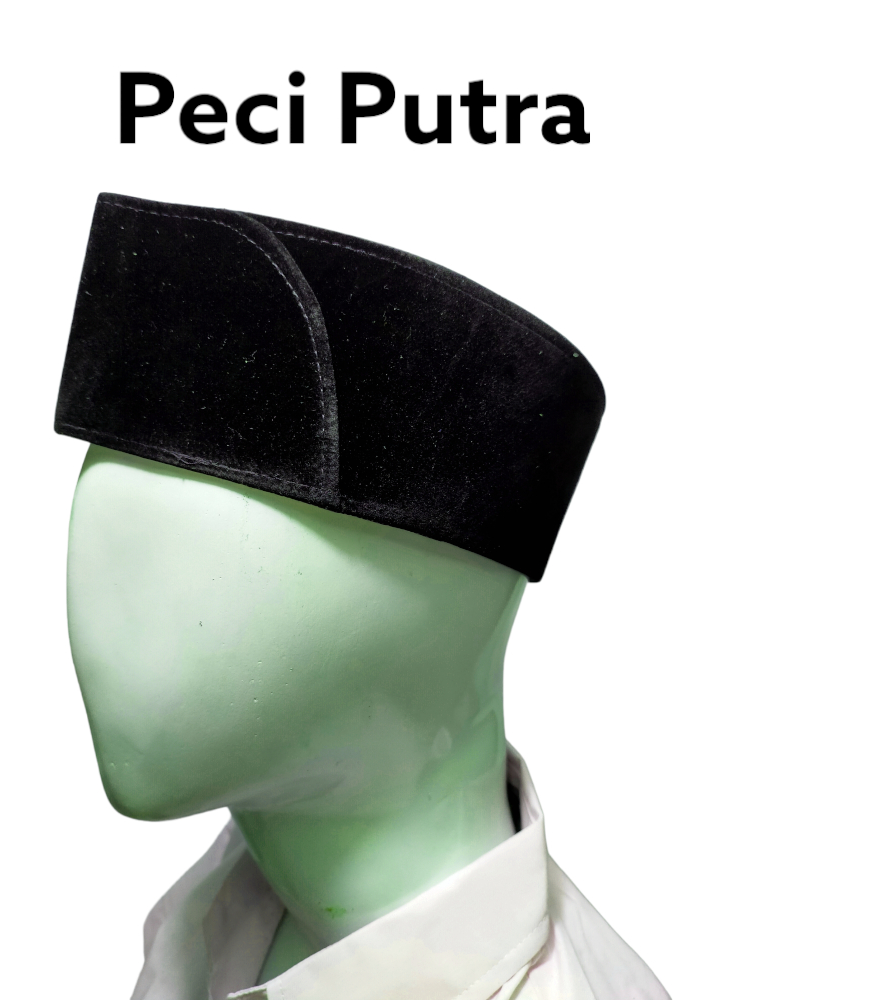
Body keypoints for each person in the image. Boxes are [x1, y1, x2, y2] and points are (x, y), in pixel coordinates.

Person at [57, 193, 670, 999]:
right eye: (104, 556)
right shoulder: (226, 906)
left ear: (431, 615)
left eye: (164, 568)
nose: (99, 630)